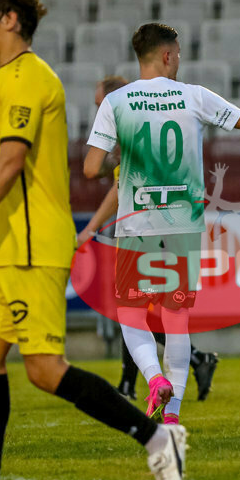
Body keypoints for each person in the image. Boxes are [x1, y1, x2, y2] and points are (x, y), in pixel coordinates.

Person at [0, 0, 186, 480]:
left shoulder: (27, 79)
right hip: (7, 243)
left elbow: (11, 162)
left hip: (33, 243)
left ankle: (159, 439)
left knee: (43, 368)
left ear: (9, 21)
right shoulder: (4, 80)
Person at [84, 22, 240, 426]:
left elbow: (92, 167)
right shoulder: (194, 96)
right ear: (166, 55)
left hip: (136, 224)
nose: (179, 60)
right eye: (177, 54)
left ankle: (154, 377)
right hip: (184, 225)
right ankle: (174, 415)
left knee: (132, 313)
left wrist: (128, 154)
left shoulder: (116, 101)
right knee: (176, 319)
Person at [77, 76, 220, 404]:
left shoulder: (128, 133)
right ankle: (161, 377)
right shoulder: (136, 130)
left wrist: (92, 226)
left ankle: (163, 375)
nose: (100, 109)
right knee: (145, 310)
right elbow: (119, 189)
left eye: (101, 103)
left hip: (146, 228)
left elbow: (111, 181)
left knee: (135, 308)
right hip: (155, 225)